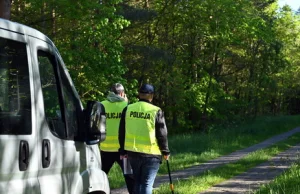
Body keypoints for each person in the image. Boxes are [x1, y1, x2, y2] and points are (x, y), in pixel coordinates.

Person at [119, 83, 170, 194]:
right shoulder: (156, 110)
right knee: (147, 183)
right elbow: (162, 133)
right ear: (151, 95)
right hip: (151, 153)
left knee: (137, 182)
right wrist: (165, 151)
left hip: (133, 152)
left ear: (139, 94)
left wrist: (122, 150)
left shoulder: (128, 109)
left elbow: (121, 131)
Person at [100, 83, 134, 194]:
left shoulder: (101, 105)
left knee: (100, 176)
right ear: (122, 93)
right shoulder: (127, 106)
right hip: (123, 150)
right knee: (130, 177)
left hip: (105, 149)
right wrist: (126, 102)